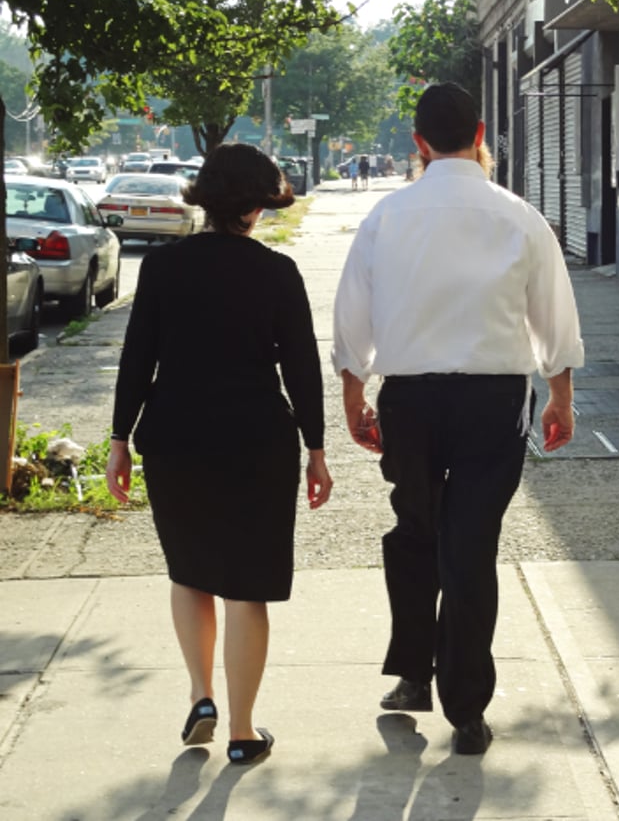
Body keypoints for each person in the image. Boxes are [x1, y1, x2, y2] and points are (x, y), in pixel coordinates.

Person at [332, 82, 583, 756]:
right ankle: (466, 710)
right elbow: (553, 315)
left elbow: (352, 313)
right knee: (470, 546)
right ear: (480, 134)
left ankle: (414, 675)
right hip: (492, 402)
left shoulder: (388, 216)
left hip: (409, 399)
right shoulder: (519, 215)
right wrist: (560, 394)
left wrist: (353, 392)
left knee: (415, 532)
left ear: (418, 143)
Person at [106, 142, 333, 765]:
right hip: (257, 440)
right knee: (246, 587)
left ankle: (201, 694)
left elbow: (137, 357)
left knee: (190, 572)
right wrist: (316, 448)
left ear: (203, 199)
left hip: (176, 437)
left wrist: (120, 438)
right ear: (258, 204)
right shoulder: (277, 272)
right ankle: (241, 730)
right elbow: (303, 369)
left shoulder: (163, 269)